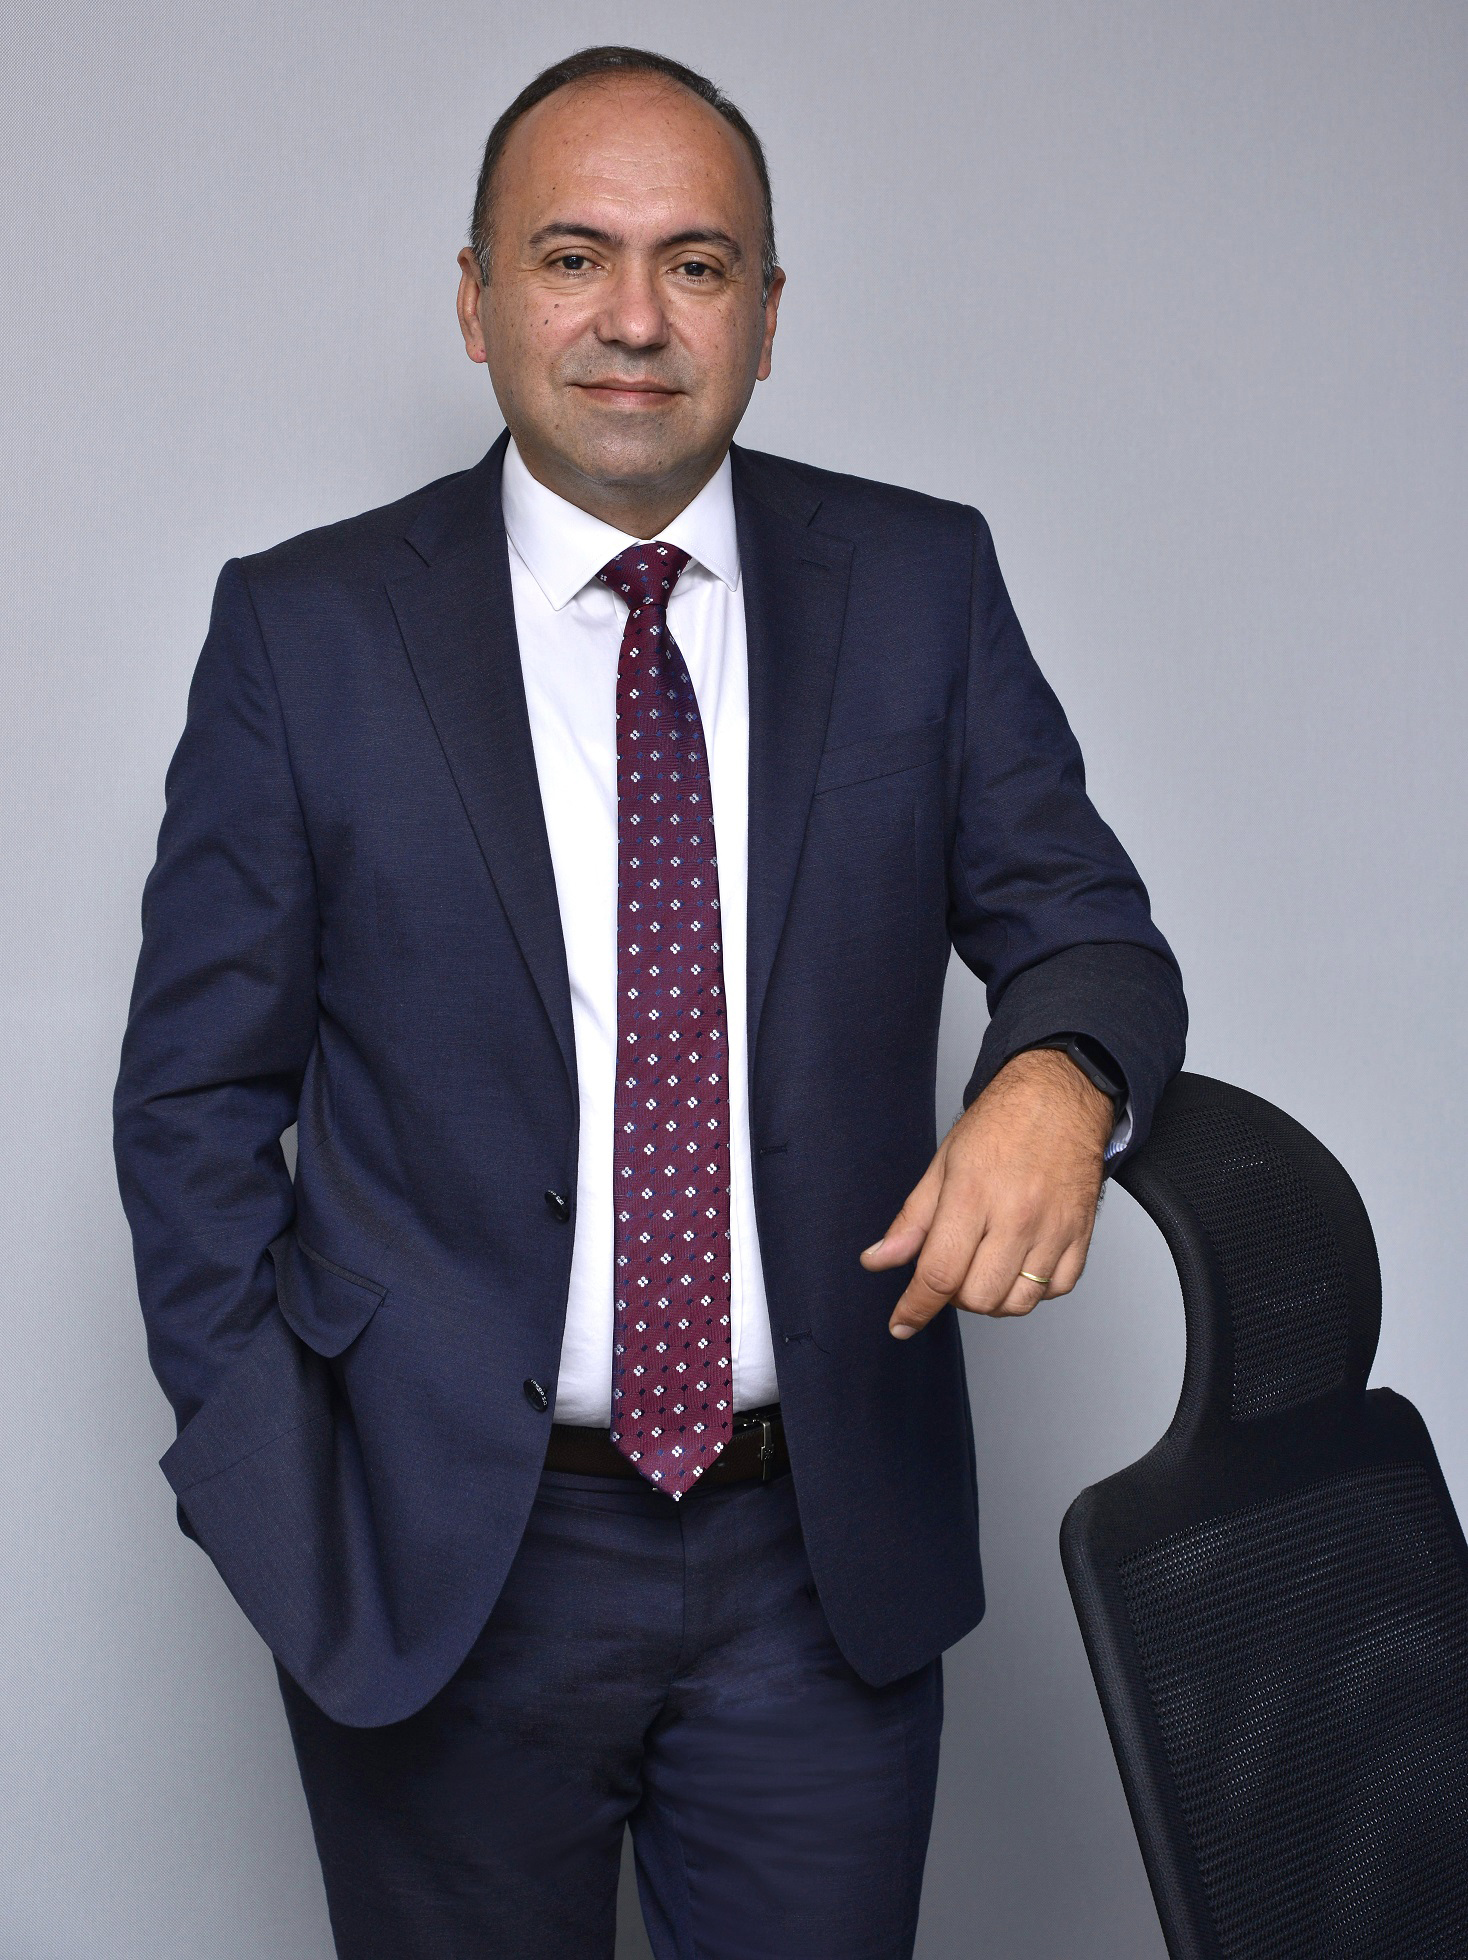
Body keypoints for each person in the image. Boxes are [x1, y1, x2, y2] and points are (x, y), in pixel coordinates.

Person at [114, 44, 1186, 1960]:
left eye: (695, 265)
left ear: (766, 314)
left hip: (822, 1557)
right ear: (476, 300)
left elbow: (1088, 926)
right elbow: (191, 1102)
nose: (633, 319)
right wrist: (277, 1497)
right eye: (571, 257)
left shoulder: (921, 585)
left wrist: (1063, 1073)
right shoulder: (302, 632)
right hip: (439, 1555)